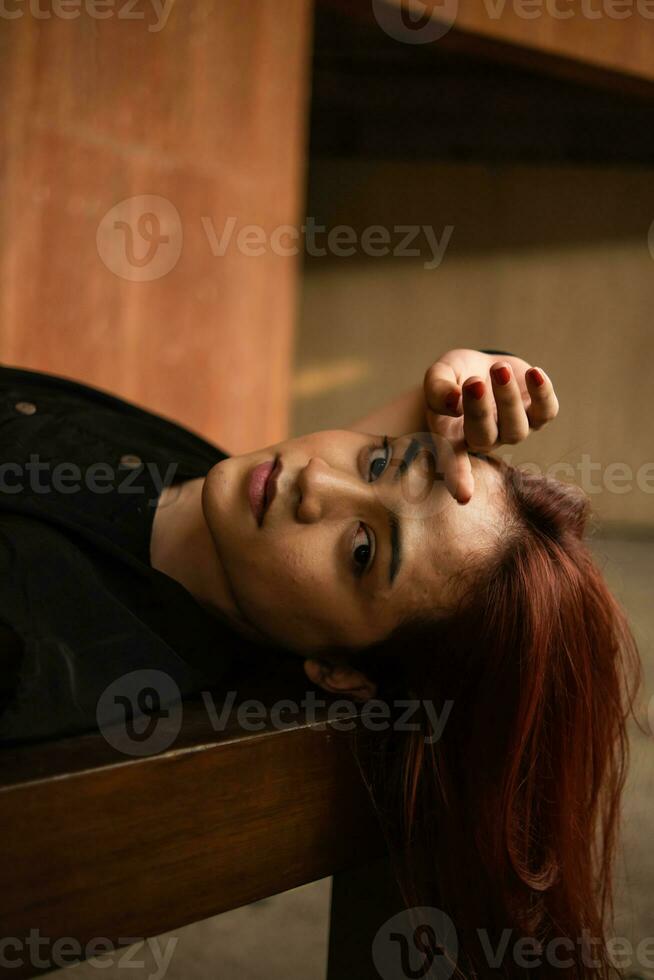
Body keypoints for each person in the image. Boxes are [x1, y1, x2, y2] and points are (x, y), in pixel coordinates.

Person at [0, 348, 643, 978]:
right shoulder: (229, 507)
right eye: (381, 458)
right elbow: (447, 407)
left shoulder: (43, 639)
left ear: (342, 673)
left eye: (361, 551)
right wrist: (486, 367)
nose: (315, 481)